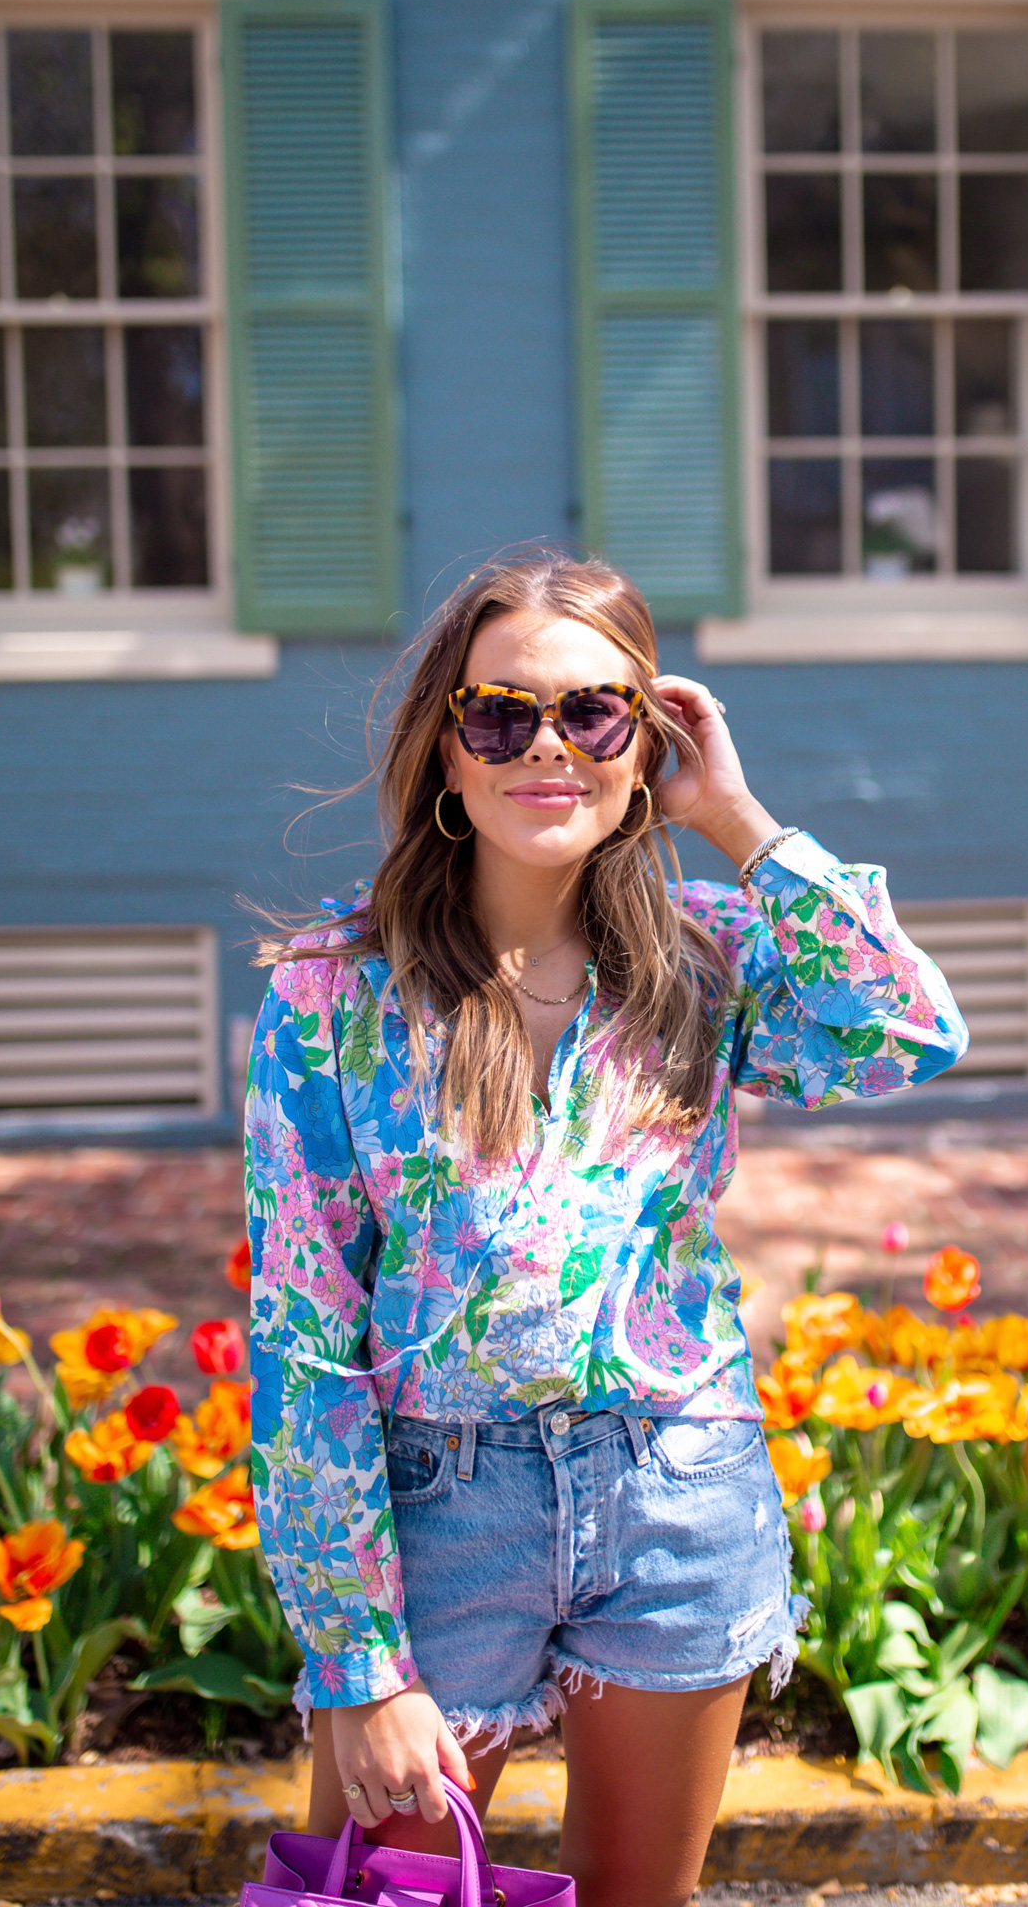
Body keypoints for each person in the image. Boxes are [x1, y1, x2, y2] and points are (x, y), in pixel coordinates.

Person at [246, 550, 967, 1907]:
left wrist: (737, 814)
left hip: (674, 1490)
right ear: (445, 750)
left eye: (593, 714)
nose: (547, 749)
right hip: (436, 1504)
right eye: (500, 714)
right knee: (382, 1895)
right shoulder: (331, 997)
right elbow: (302, 1336)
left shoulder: (705, 959)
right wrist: (357, 1663)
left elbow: (908, 1029)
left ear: (646, 741)